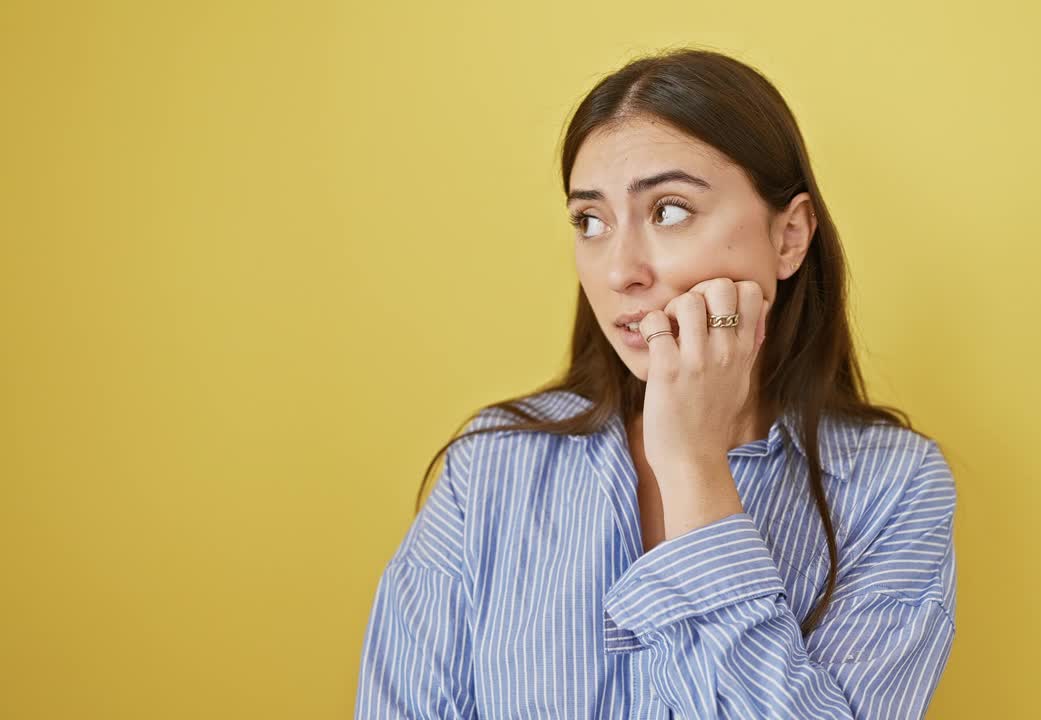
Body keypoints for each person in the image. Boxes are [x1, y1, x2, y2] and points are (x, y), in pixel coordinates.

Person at [355, 46, 958, 719]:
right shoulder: (491, 468)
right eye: (591, 221)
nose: (619, 272)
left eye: (669, 211)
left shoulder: (893, 488)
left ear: (789, 237)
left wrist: (692, 465)